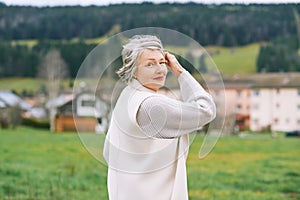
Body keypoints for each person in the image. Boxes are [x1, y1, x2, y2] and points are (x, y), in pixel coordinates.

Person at [103, 35, 216, 200]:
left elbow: (108, 152)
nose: (160, 70)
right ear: (132, 70)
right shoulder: (151, 106)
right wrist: (180, 72)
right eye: (150, 64)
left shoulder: (128, 97)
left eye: (162, 62)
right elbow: (206, 109)